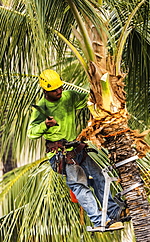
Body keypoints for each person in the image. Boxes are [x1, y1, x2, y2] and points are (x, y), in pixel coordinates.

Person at [27, 69, 123, 230]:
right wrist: (45, 125)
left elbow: (90, 99)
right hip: (61, 155)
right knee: (79, 185)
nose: (59, 91)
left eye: (60, 88)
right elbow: (31, 133)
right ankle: (99, 220)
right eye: (54, 90)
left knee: (100, 176)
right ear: (45, 90)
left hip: (77, 149)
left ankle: (114, 212)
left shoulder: (69, 96)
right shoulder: (41, 107)